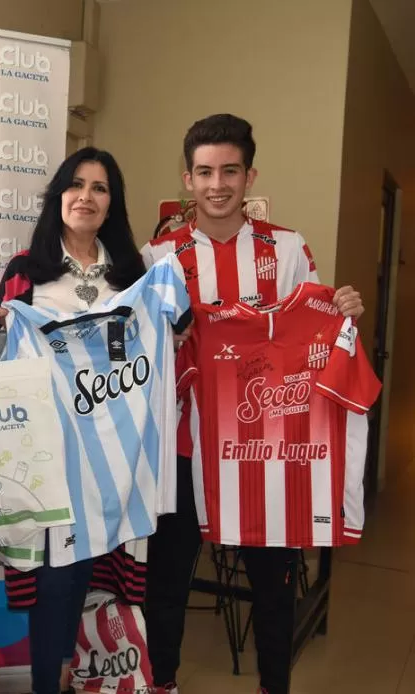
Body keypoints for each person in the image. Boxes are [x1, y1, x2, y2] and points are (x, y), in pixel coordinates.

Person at [141, 113, 364, 694]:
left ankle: (273, 686)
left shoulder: (287, 249)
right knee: (165, 583)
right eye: (206, 172)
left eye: (230, 171)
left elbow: (315, 330)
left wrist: (341, 308)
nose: (218, 185)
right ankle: (161, 682)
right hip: (184, 448)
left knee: (272, 586)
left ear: (250, 175)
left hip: (266, 451)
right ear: (187, 179)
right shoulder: (157, 256)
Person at [0, 147, 148, 694]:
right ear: (59, 195)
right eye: (76, 185)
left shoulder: (133, 275)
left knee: (88, 576)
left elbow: (152, 348)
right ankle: (47, 681)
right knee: (55, 579)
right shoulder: (25, 271)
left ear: (113, 203)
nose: (86, 197)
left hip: (112, 457)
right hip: (47, 456)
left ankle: (65, 674)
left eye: (100, 188)